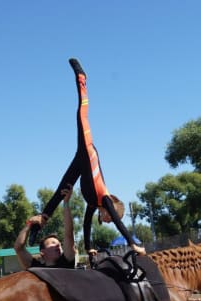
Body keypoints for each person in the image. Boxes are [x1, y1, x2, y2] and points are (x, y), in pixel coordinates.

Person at [29, 58, 145, 258]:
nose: (107, 221)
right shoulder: (105, 198)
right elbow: (120, 224)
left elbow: (86, 223)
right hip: (88, 152)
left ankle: (41, 221)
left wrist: (88, 247)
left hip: (80, 163)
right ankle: (82, 78)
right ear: (110, 212)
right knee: (81, 114)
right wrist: (133, 244)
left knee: (61, 190)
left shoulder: (93, 204)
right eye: (109, 219)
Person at [14, 184, 75, 269]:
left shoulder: (67, 261)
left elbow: (69, 234)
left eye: (59, 244)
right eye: (53, 243)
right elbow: (18, 248)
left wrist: (66, 203)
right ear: (42, 252)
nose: (58, 245)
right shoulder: (36, 268)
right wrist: (29, 223)